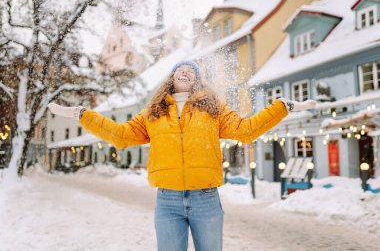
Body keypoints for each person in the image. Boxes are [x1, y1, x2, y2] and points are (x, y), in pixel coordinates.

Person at [48, 60, 316, 251]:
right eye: (180, 69)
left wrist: (282, 107)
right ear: (172, 77)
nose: (185, 71)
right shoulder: (153, 113)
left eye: (191, 70)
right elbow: (120, 135)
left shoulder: (214, 109)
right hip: (168, 201)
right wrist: (82, 114)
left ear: (197, 80)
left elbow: (246, 131)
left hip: (206, 199)